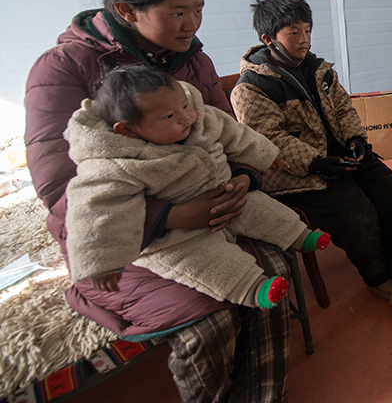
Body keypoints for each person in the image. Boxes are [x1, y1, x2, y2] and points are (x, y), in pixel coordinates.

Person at [25, 0, 293, 402]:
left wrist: (245, 176)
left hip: (208, 209)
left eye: (198, 10)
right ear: (127, 11)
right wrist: (169, 215)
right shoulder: (65, 68)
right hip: (119, 236)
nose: (192, 24)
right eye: (178, 12)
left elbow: (227, 129)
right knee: (209, 316)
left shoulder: (192, 61)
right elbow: (58, 187)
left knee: (272, 275)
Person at [230, 0, 392, 307]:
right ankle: (380, 281)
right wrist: (318, 162)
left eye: (307, 30)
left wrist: (356, 140)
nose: (304, 39)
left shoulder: (318, 70)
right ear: (269, 39)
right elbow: (270, 140)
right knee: (356, 212)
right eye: (293, 33)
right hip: (296, 172)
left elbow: (343, 109)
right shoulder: (252, 87)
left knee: (388, 188)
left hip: (339, 157)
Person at [65, 65, 331, 308]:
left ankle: (299, 236)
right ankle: (253, 289)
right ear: (127, 131)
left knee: (264, 208)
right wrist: (101, 264)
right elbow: (95, 212)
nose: (186, 117)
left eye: (184, 105)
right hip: (178, 236)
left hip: (228, 195)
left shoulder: (201, 117)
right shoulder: (113, 163)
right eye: (170, 115)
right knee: (207, 262)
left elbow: (237, 135)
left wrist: (268, 156)